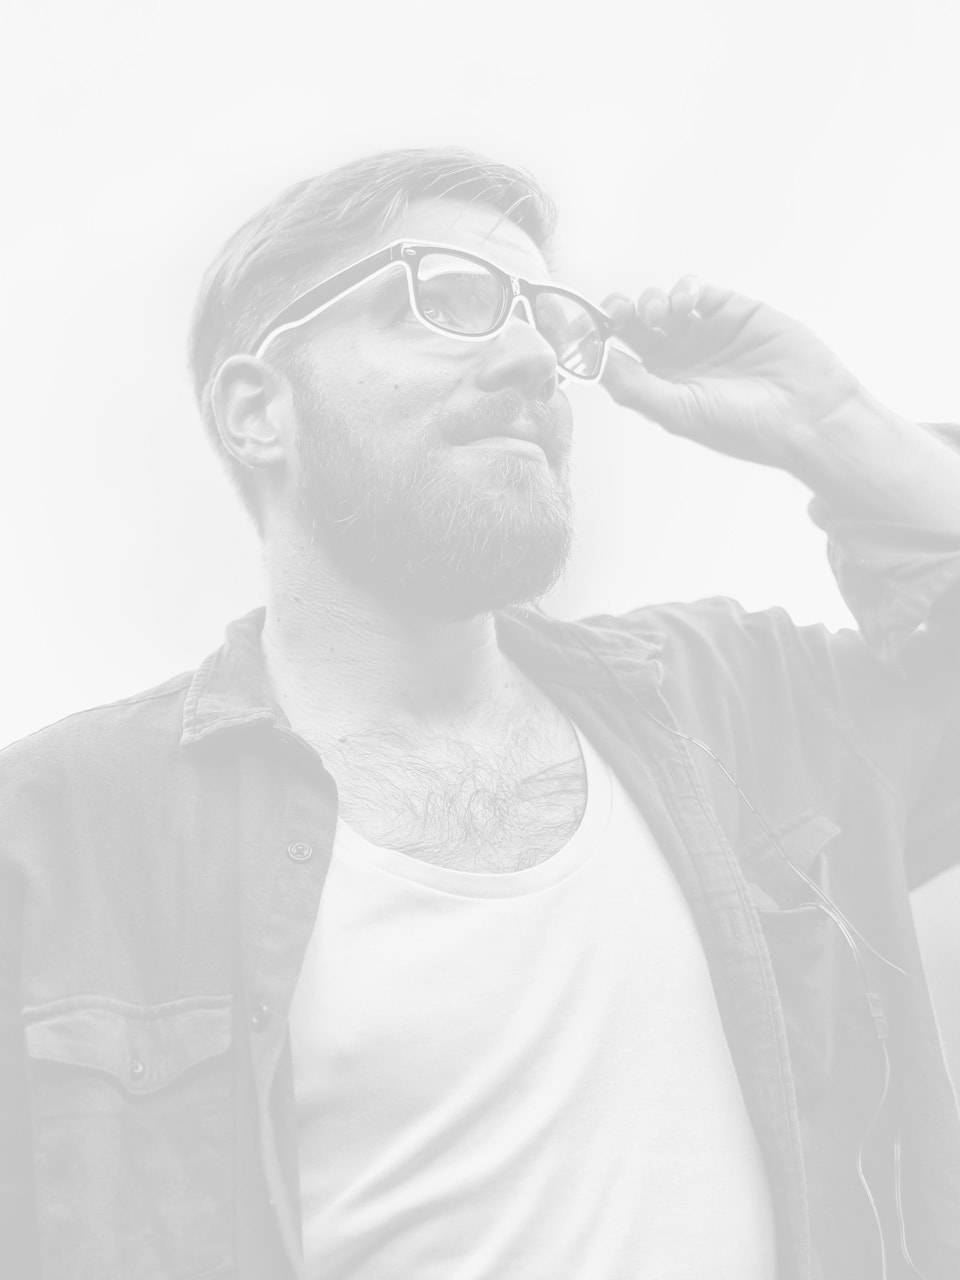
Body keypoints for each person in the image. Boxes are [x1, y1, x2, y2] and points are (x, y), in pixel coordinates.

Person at [2, 147, 959, 1280]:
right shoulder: (57, 833)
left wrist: (840, 426)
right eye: (445, 299)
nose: (532, 359)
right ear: (259, 410)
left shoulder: (735, 697)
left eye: (544, 323)